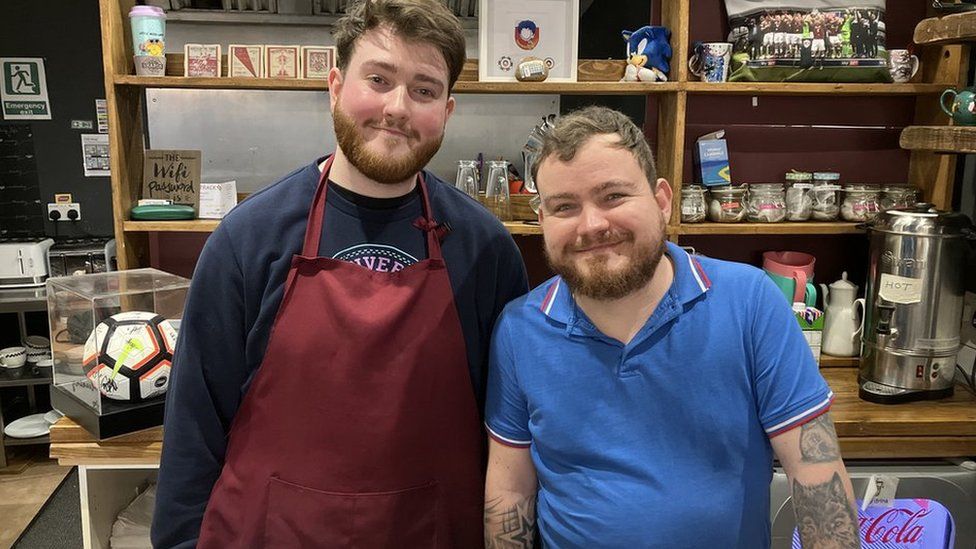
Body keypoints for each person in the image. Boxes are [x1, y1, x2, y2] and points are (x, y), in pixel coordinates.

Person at [151, 1, 528, 546]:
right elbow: (193, 428)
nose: (397, 107)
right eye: (378, 79)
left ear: (446, 111)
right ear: (334, 87)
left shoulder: (484, 247)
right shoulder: (247, 239)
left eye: (424, 90)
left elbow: (508, 438)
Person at [483, 106, 859, 548]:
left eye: (613, 196)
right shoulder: (520, 328)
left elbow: (816, 477)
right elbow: (511, 492)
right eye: (565, 206)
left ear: (662, 200)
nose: (592, 225)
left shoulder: (750, 302)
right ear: (542, 220)